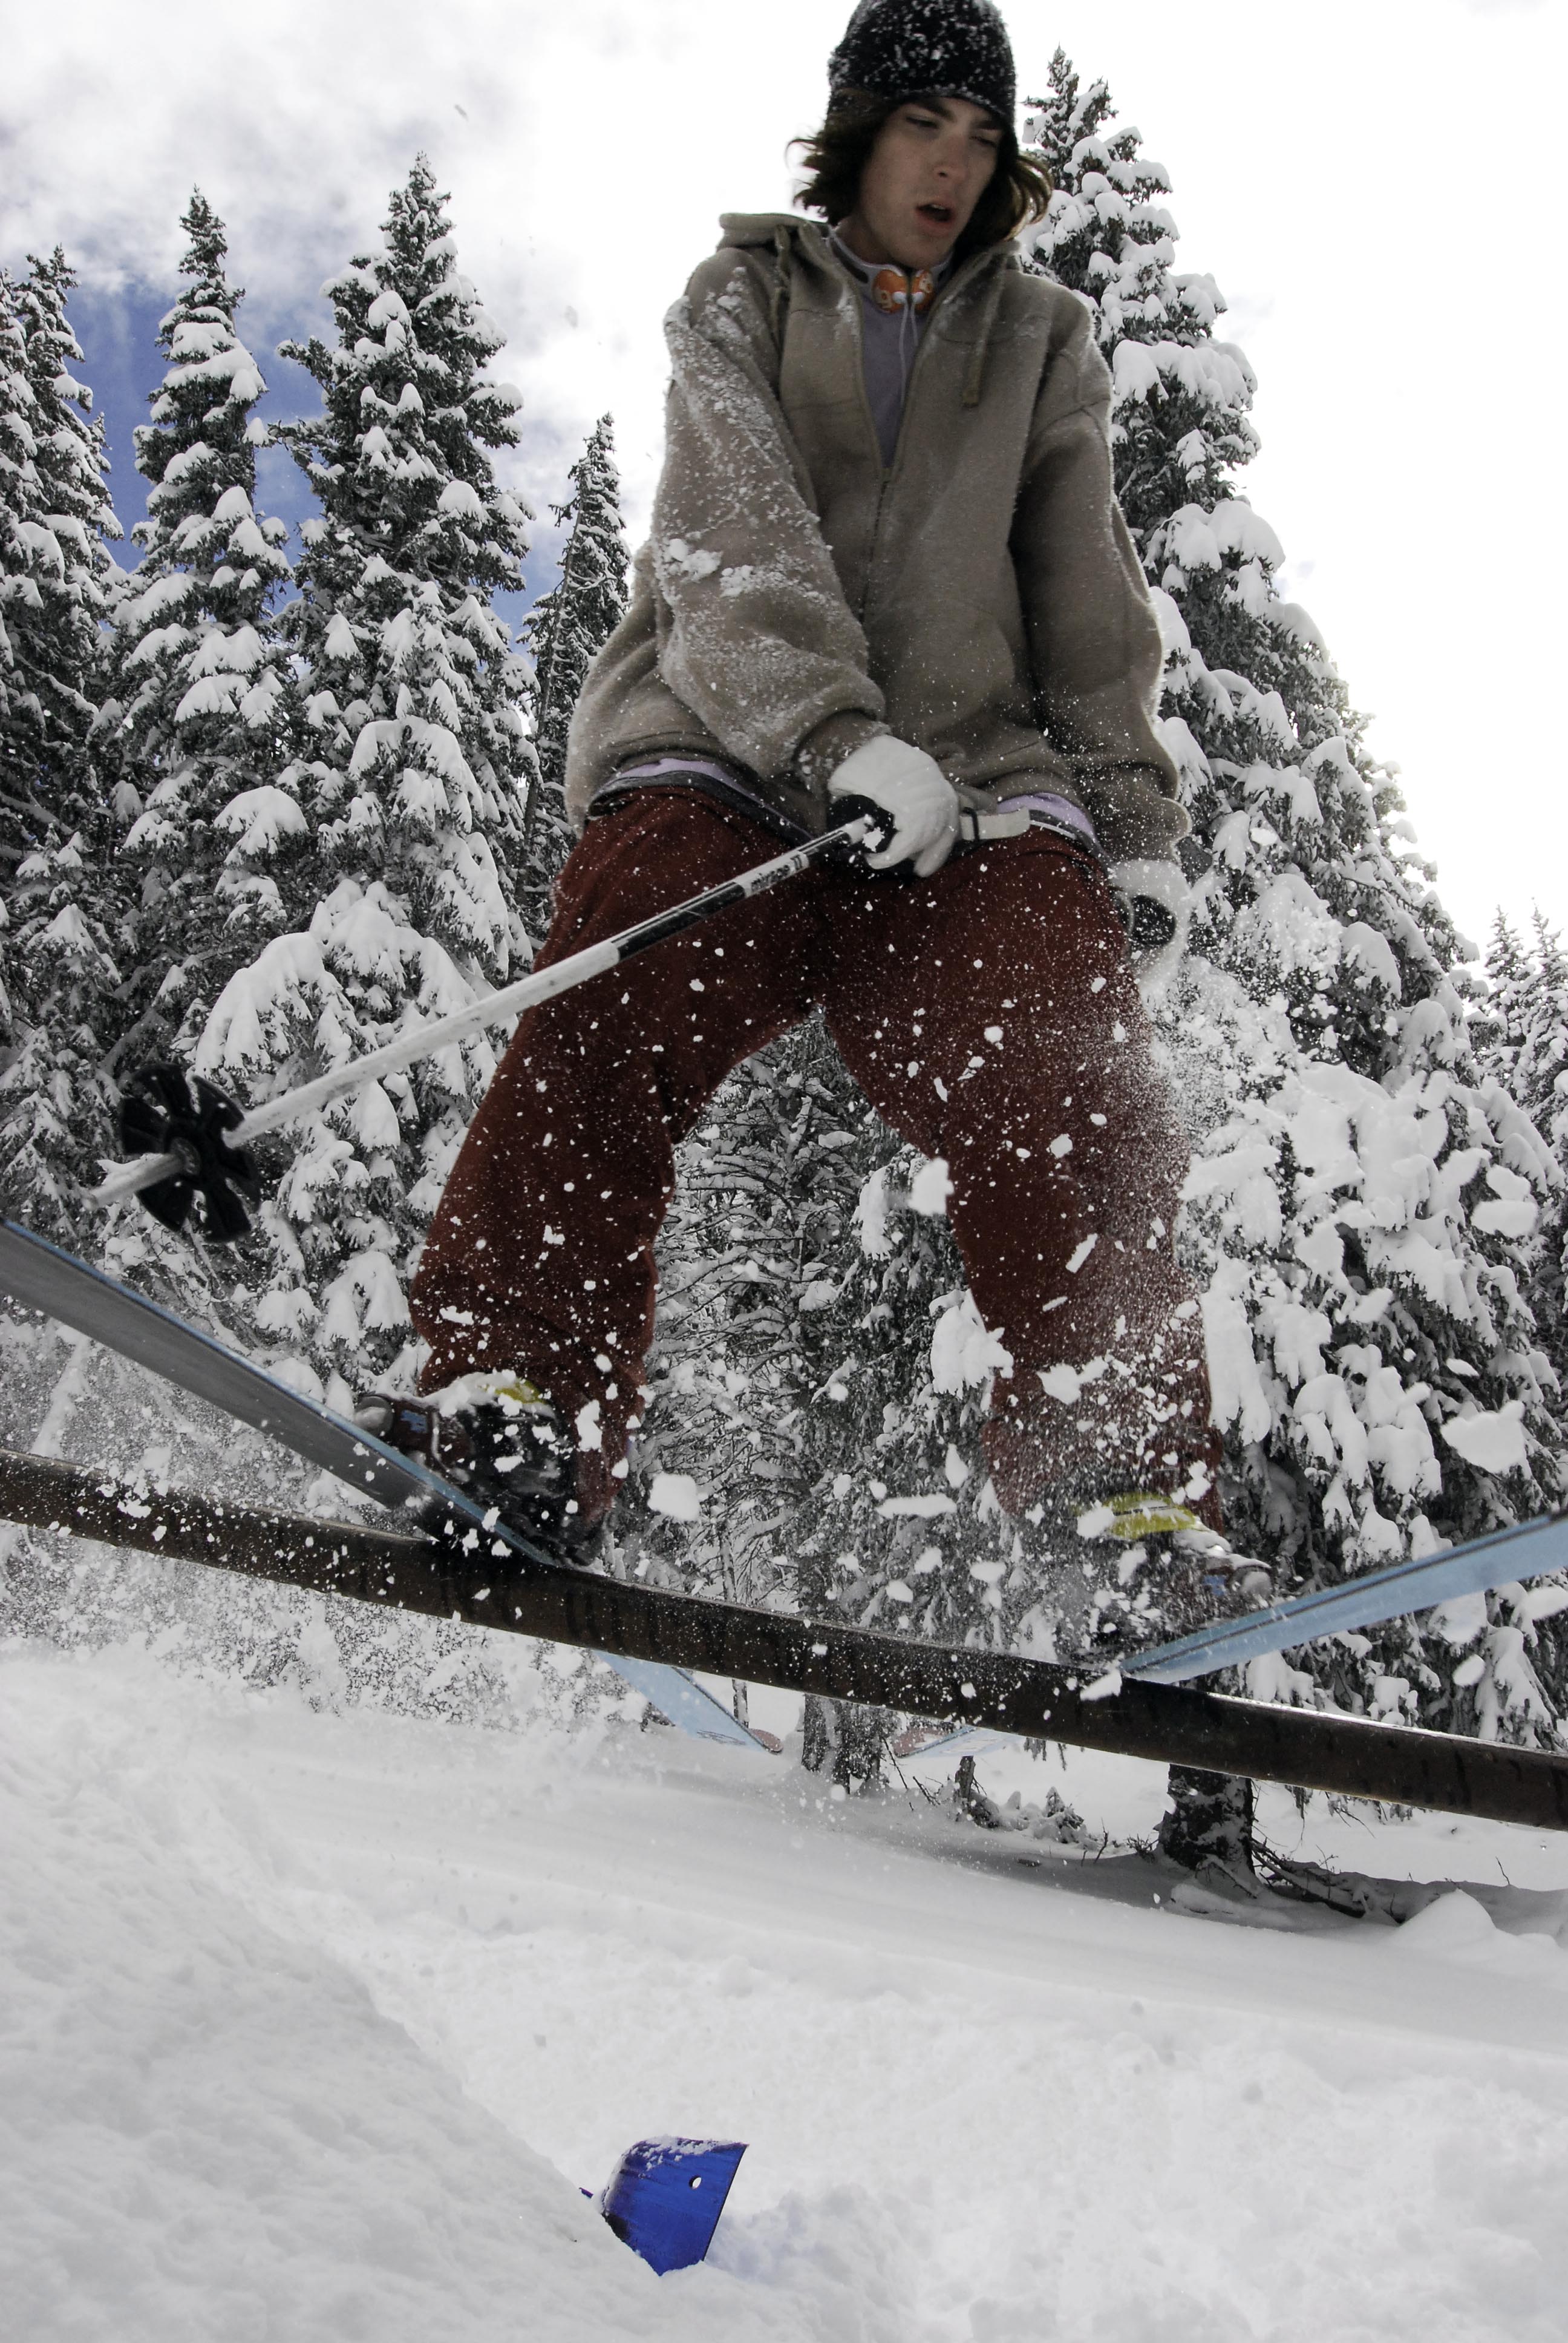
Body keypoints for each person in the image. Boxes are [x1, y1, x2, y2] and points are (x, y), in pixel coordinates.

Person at [365, 0, 1268, 1639]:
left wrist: (1126, 820)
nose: (955, 164)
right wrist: (833, 732)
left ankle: (1123, 1490)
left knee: (1065, 1070)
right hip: (734, 742)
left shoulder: (1042, 339)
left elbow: (1082, 579)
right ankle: (514, 1393)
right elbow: (727, 529)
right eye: (927, 125)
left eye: (984, 139)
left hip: (970, 783)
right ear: (856, 132)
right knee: (613, 991)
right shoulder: (745, 297)